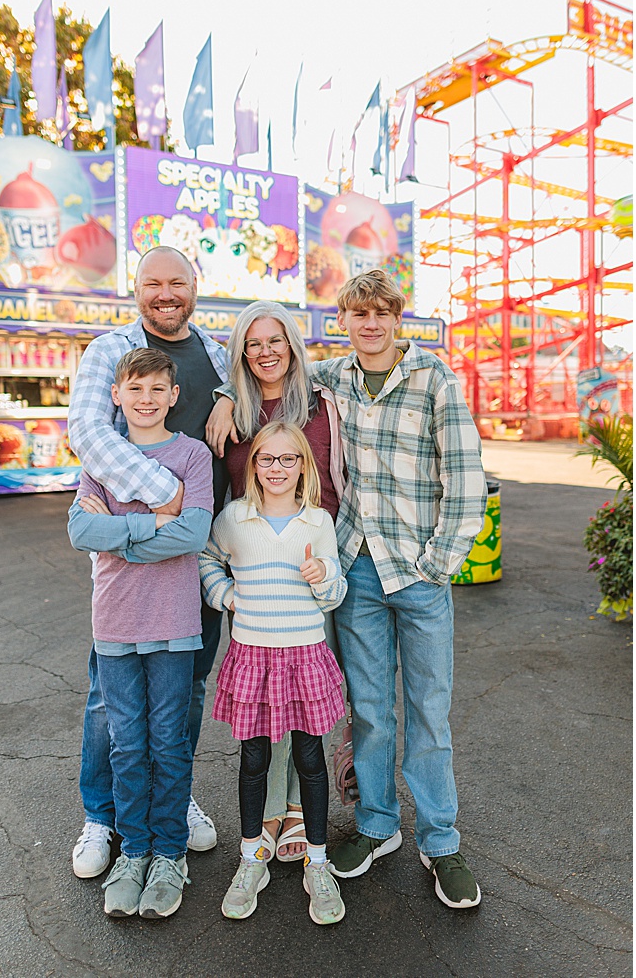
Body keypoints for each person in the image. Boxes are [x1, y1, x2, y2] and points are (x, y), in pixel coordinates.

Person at [209, 269, 486, 908]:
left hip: (416, 574)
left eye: (380, 315)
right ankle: (378, 825)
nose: (369, 325)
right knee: (368, 710)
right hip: (357, 567)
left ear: (397, 319)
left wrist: (437, 563)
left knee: (428, 713)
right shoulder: (334, 379)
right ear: (344, 322)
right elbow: (267, 368)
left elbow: (467, 481)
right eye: (357, 315)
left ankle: (441, 841)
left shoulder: (434, 381)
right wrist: (225, 392)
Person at [66, 246, 228, 880]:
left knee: (182, 690)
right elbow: (88, 432)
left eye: (178, 283)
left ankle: (171, 799)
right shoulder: (110, 349)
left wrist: (224, 398)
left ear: (194, 288)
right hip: (130, 568)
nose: (166, 293)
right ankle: (101, 817)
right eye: (152, 283)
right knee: (112, 699)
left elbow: (265, 384)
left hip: (197, 555)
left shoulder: (216, 353)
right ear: (135, 289)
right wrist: (161, 500)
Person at [199, 422, 348, 924]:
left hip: (304, 653)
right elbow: (207, 561)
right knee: (254, 759)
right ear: (253, 466)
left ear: (304, 464)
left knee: (310, 758)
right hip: (254, 655)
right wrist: (226, 596)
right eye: (267, 459)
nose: (277, 468)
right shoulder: (234, 519)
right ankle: (250, 860)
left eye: (288, 459)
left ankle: (318, 861)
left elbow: (335, 592)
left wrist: (324, 576)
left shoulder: (318, 523)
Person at [223, 300, 344, 862]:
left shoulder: (320, 405)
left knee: (303, 709)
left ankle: (299, 812)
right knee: (261, 712)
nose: (266, 351)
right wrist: (227, 585)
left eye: (276, 340)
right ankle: (268, 816)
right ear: (242, 354)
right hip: (258, 563)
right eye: (254, 343)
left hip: (314, 556)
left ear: (293, 346)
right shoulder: (234, 415)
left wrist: (326, 563)